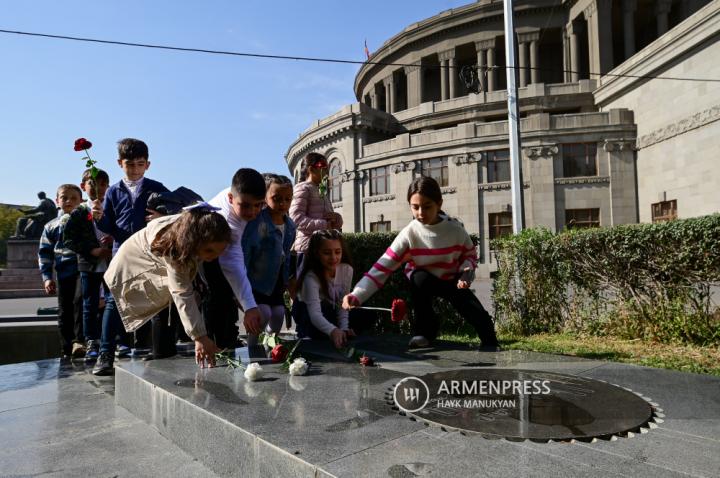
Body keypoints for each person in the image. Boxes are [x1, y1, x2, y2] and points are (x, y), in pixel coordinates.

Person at [342, 176, 500, 351]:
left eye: (427, 207)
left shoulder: (455, 230)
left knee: (478, 315)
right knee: (419, 278)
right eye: (415, 207)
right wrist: (357, 295)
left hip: (452, 280)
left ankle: (491, 343)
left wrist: (466, 272)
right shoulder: (409, 233)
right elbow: (382, 267)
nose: (421, 213)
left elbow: (470, 256)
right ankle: (424, 333)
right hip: (424, 280)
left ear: (439, 204)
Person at [103, 206, 230, 370]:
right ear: (195, 241)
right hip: (129, 264)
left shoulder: (195, 229)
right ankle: (105, 354)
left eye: (219, 252)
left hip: (155, 263)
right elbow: (182, 292)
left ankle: (164, 355)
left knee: (165, 304)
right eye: (209, 251)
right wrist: (200, 337)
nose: (212, 258)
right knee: (115, 304)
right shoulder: (176, 246)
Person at [92, 138, 170, 374]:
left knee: (159, 298)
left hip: (150, 252)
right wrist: (99, 216)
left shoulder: (157, 187)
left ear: (148, 164)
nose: (134, 169)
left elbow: (173, 214)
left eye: (139, 164)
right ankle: (105, 354)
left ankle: (161, 351)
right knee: (114, 301)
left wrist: (159, 217)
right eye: (129, 164)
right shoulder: (114, 191)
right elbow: (109, 226)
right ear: (120, 163)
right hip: (123, 252)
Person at [204, 168, 266, 348]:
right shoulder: (227, 220)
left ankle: (227, 341)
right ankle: (218, 345)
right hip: (210, 260)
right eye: (246, 205)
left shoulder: (240, 200)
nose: (253, 212)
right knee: (218, 298)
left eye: (258, 205)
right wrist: (249, 306)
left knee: (227, 299)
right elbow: (232, 261)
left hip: (222, 256)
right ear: (231, 198)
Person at [63, 169, 112, 363]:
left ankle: (114, 340)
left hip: (110, 263)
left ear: (107, 187)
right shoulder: (79, 211)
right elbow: (69, 239)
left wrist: (112, 238)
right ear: (84, 187)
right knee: (89, 304)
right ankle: (91, 340)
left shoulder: (111, 207)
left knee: (113, 302)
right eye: (92, 184)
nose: (98, 189)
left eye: (102, 184)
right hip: (88, 264)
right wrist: (92, 250)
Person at [241, 174, 296, 345]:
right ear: (265, 197)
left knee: (278, 314)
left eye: (287, 199)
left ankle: (268, 342)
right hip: (258, 279)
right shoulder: (257, 222)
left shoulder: (290, 225)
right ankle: (252, 343)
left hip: (277, 280)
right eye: (276, 198)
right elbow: (246, 251)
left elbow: (286, 254)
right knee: (263, 312)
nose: (283, 204)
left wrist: (286, 280)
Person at [38, 184, 84, 358]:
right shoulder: (51, 226)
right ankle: (66, 348)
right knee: (65, 311)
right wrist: (47, 277)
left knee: (80, 302)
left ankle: (80, 341)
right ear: (57, 201)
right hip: (64, 272)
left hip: (83, 270)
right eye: (64, 197)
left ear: (81, 201)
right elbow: (45, 253)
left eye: (74, 198)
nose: (69, 201)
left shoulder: (86, 222)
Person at [293, 229, 357, 349]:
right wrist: (333, 331)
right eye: (327, 253)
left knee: (360, 311)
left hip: (331, 309)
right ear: (317, 253)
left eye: (338, 252)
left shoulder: (347, 270)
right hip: (308, 314)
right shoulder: (310, 277)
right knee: (318, 329)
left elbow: (343, 304)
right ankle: (306, 333)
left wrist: (343, 328)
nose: (333, 257)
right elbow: (315, 314)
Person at [289, 152, 343, 274]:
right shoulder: (302, 188)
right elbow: (295, 218)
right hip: (308, 249)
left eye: (328, 167)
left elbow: (329, 217)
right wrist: (324, 225)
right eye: (323, 167)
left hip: (323, 248)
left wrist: (337, 218)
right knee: (308, 290)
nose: (327, 171)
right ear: (311, 169)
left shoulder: (321, 190)